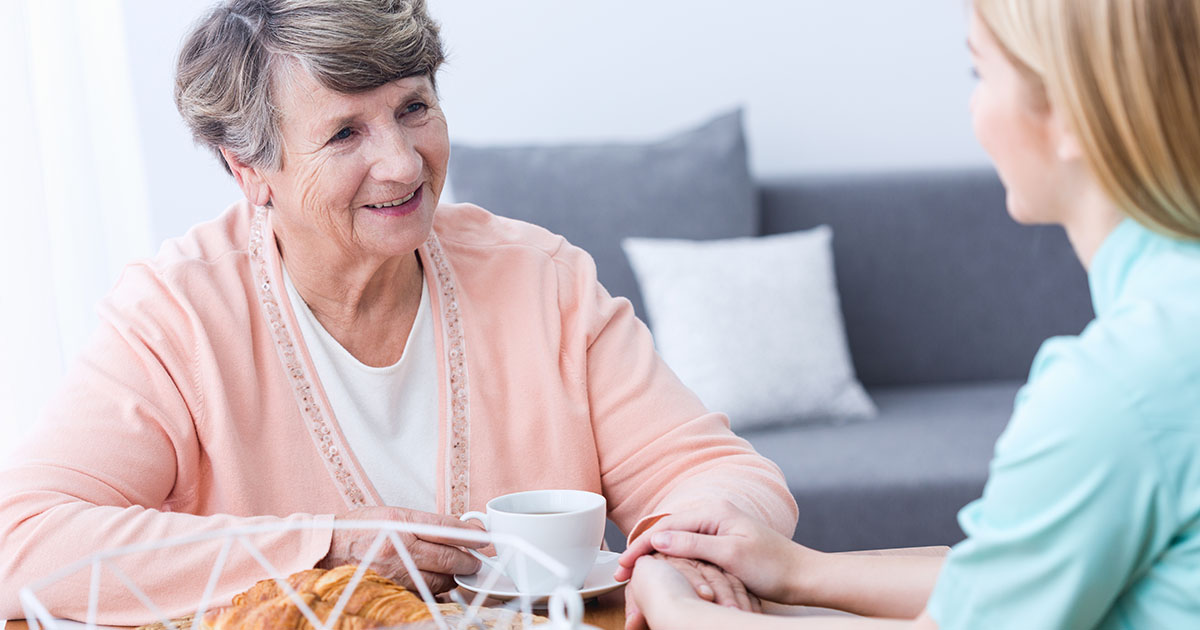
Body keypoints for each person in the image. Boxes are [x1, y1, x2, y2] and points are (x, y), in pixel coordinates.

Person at [0, 0, 797, 622]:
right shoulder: (176, 318)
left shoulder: (540, 278)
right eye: (345, 132)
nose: (402, 162)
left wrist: (689, 550)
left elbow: (713, 473)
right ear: (249, 168)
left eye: (414, 107)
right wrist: (325, 549)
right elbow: (22, 542)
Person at [617, 0, 1200, 628]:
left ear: (1070, 114)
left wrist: (674, 605)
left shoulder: (1118, 389)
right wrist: (795, 570)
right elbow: (1003, 581)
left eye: (982, 74)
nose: (973, 110)